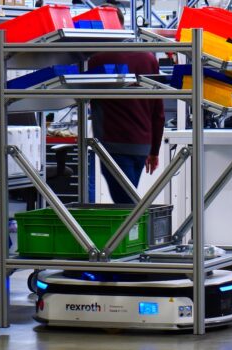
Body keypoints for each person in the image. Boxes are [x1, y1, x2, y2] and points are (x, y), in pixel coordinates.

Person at [88, 8, 165, 204]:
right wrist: (154, 150)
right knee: (127, 203)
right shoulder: (148, 57)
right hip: (142, 145)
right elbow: (158, 110)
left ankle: (142, 234)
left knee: (126, 208)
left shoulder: (98, 59)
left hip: (114, 144)